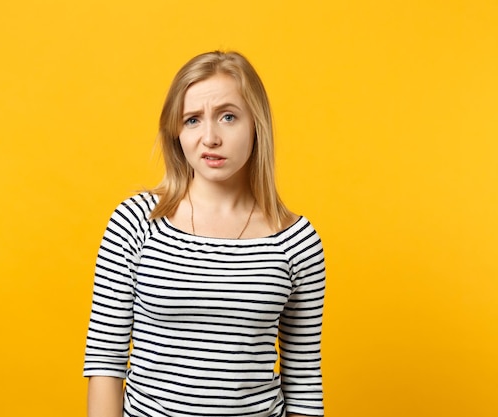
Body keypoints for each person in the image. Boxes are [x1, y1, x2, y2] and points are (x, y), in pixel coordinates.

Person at [84, 51, 326, 417]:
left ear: (257, 124)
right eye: (193, 120)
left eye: (228, 117)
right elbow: (105, 358)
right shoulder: (135, 222)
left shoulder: (296, 241)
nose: (210, 137)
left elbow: (304, 377)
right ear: (176, 131)